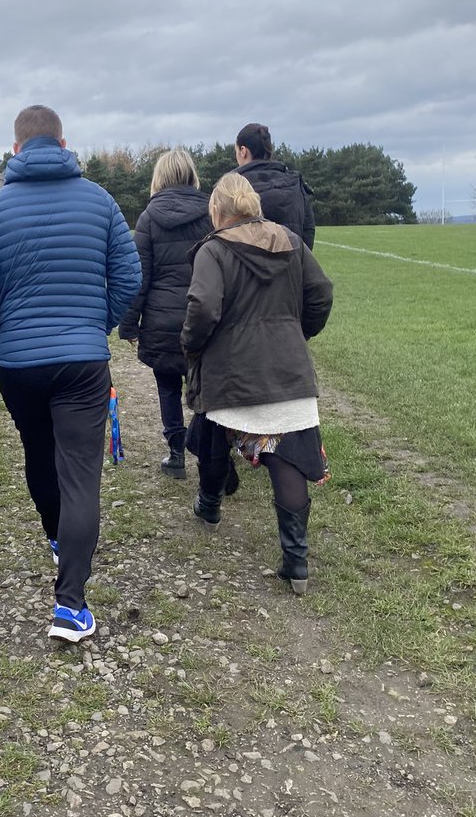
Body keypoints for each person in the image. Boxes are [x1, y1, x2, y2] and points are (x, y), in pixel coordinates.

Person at [0, 104, 141, 642]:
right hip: (82, 361)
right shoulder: (101, 202)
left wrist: (4, 331)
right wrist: (97, 324)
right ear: (65, 144)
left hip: (19, 363)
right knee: (80, 472)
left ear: (14, 150)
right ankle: (71, 605)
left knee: (39, 455)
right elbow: (129, 278)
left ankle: (58, 539)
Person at [181, 172, 333, 594]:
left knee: (212, 440)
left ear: (218, 210)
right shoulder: (291, 241)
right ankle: (296, 561)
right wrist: (294, 332)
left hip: (231, 371)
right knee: (286, 461)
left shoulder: (213, 250)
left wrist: (191, 345)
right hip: (288, 371)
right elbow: (321, 293)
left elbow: (204, 306)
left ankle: (210, 508)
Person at [117, 149, 212, 479]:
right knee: (206, 388)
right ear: (190, 175)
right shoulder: (211, 213)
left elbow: (138, 277)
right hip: (203, 315)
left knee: (168, 387)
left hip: (161, 320)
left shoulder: (148, 218)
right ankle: (209, 450)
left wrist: (129, 323)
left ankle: (176, 453)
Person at [234, 123, 316, 248]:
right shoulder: (295, 184)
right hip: (291, 264)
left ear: (243, 151)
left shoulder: (232, 188)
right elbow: (308, 232)